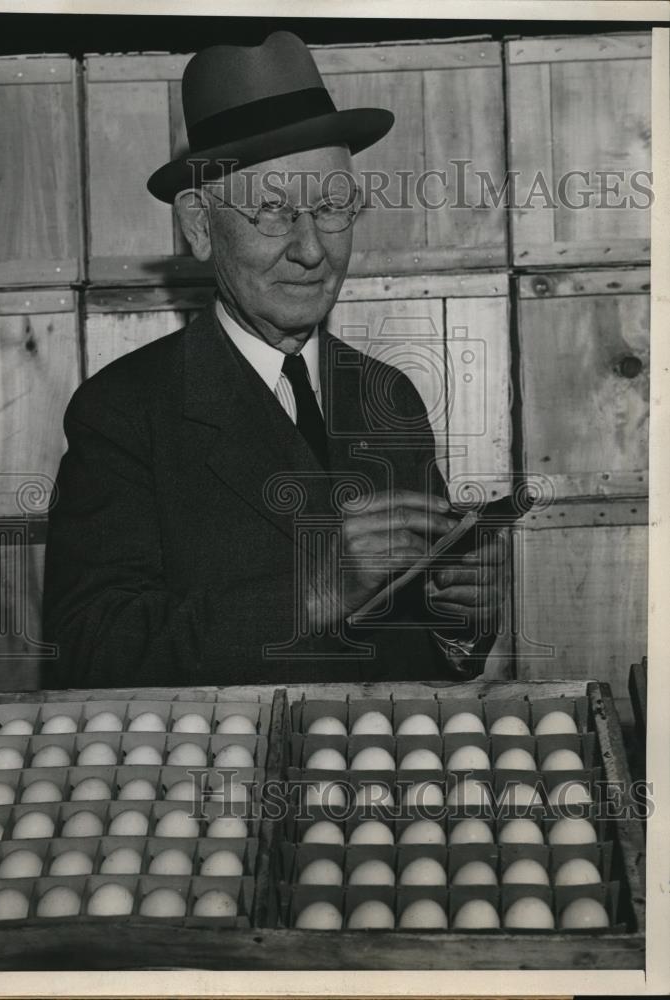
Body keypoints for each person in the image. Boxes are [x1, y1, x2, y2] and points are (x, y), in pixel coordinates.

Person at [42, 31, 507, 689]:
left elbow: (418, 654)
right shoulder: (125, 410)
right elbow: (90, 650)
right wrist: (314, 591)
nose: (311, 250)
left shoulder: (387, 394)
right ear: (200, 226)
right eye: (271, 212)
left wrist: (459, 623)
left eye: (332, 209)